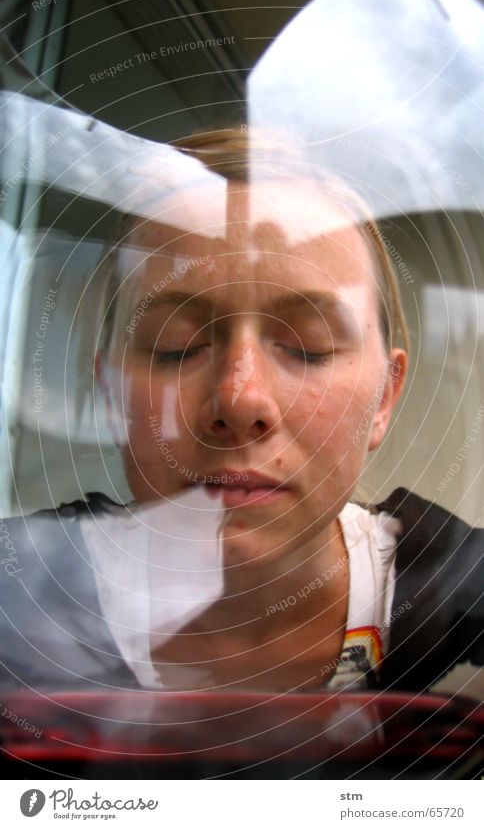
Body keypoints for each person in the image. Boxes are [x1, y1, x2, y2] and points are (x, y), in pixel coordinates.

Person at [0, 129, 482, 696]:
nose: (239, 399)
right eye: (176, 346)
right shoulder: (16, 593)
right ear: (109, 392)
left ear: (383, 398)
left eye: (308, 346)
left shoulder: (465, 590)